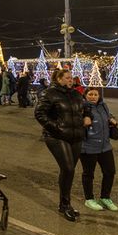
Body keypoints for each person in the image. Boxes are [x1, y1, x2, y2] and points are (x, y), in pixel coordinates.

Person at [34, 69, 85, 221]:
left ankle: (64, 203)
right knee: (68, 168)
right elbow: (39, 114)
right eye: (68, 78)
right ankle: (65, 204)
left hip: (75, 137)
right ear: (59, 79)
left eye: (72, 78)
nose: (71, 80)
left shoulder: (76, 94)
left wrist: (87, 117)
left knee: (69, 170)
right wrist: (56, 128)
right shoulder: (49, 94)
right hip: (56, 137)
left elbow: (85, 108)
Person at [81, 88, 118, 212]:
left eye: (95, 94)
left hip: (105, 146)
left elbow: (108, 115)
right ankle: (89, 199)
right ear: (85, 95)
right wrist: (83, 122)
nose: (93, 97)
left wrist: (112, 119)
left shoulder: (103, 106)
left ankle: (105, 197)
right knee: (89, 174)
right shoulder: (81, 108)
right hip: (88, 147)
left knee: (110, 172)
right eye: (90, 94)